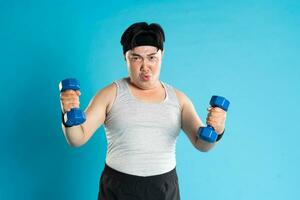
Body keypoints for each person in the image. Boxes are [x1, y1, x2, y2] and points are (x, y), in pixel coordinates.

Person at [60, 22, 227, 200]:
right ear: (126, 58)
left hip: (163, 189)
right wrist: (68, 114)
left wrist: (217, 130)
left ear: (162, 56)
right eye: (136, 58)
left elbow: (203, 144)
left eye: (152, 58)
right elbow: (77, 138)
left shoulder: (179, 100)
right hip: (117, 188)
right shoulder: (109, 95)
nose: (145, 66)